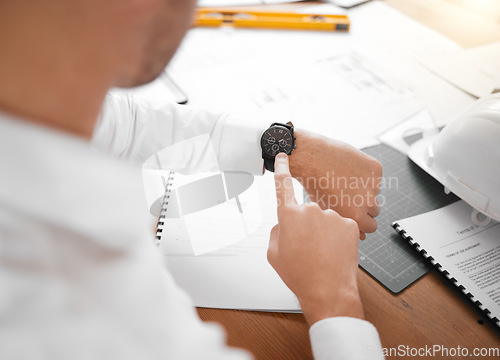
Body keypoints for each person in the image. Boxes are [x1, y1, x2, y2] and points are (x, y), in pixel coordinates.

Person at [0, 0, 385, 359]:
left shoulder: (24, 80)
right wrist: (336, 304)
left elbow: (125, 123)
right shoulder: (72, 291)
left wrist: (290, 148)